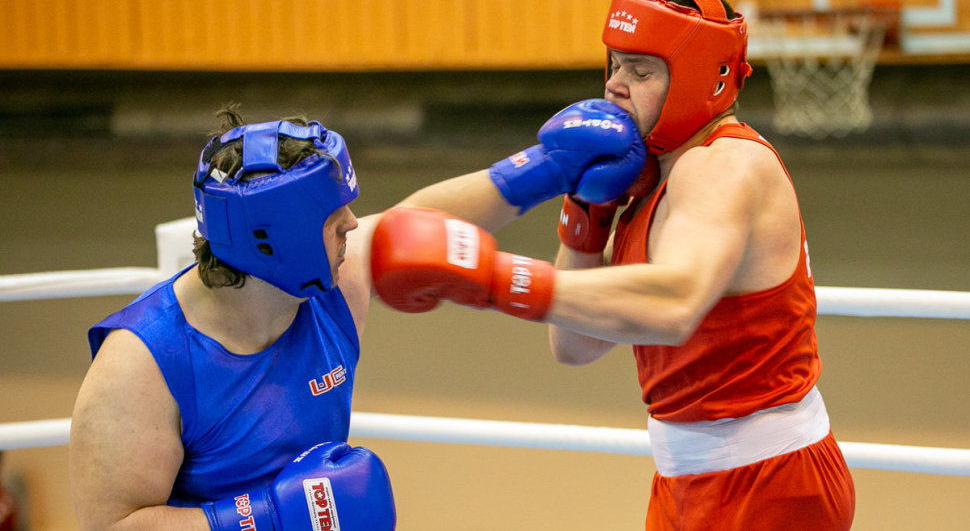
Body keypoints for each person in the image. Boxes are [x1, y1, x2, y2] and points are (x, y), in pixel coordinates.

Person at [369, 0, 855, 530]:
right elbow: (574, 344)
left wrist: (496, 279)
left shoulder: (722, 166)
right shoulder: (650, 176)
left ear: (703, 78)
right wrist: (586, 221)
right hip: (690, 477)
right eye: (616, 65)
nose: (617, 86)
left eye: (641, 71)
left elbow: (674, 305)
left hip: (766, 479)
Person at [69, 99, 647, 530]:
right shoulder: (140, 365)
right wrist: (267, 516)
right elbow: (109, 527)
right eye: (332, 216)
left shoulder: (327, 284)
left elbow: (415, 226)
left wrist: (547, 167)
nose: (352, 225)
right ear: (272, 240)